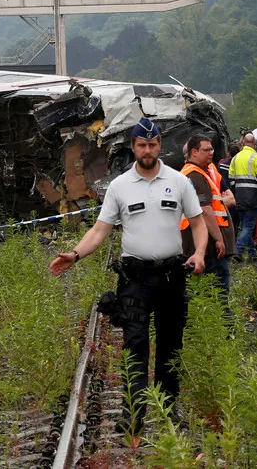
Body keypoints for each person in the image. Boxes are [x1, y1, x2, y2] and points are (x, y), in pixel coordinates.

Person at [49, 118, 207, 429]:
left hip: (171, 276)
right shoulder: (120, 186)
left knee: (170, 344)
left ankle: (168, 408)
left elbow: (198, 222)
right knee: (135, 345)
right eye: (142, 145)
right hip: (135, 280)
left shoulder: (178, 181)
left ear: (159, 145)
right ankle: (133, 413)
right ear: (133, 147)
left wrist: (200, 253)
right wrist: (75, 254)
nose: (147, 150)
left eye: (152, 144)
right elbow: (100, 230)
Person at [180, 135, 236, 299]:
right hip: (209, 245)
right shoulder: (195, 175)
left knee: (204, 291)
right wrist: (219, 239)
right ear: (194, 152)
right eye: (206, 150)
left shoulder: (202, 172)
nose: (211, 152)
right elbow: (205, 210)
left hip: (204, 243)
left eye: (211, 149)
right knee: (217, 292)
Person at [228, 132, 257, 262]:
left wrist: (237, 191)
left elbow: (231, 178)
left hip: (239, 196)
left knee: (245, 225)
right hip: (253, 197)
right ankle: (237, 251)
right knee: (248, 227)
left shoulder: (235, 158)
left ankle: (253, 253)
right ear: (254, 144)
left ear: (243, 143)